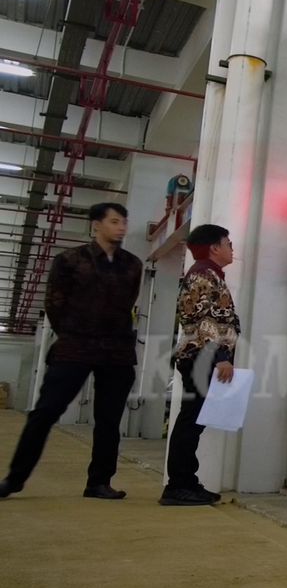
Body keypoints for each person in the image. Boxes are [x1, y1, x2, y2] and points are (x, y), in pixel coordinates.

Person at [0, 203, 142, 500]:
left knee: (109, 419)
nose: (121, 228)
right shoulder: (69, 260)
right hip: (75, 345)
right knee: (45, 412)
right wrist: (72, 332)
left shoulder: (132, 264)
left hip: (116, 350)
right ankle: (14, 479)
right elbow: (54, 302)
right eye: (114, 222)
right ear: (96, 225)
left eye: (124, 222)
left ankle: (99, 482)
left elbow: (128, 302)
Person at [160, 224, 240, 506]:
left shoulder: (210, 275)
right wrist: (220, 358)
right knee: (190, 423)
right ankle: (178, 485)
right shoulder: (203, 276)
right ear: (214, 248)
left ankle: (186, 481)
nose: (232, 248)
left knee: (193, 423)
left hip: (202, 358)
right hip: (201, 359)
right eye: (228, 243)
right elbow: (201, 320)